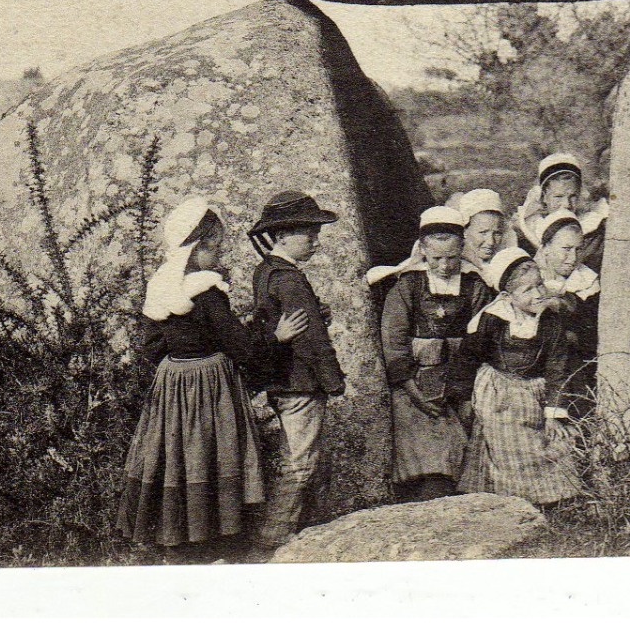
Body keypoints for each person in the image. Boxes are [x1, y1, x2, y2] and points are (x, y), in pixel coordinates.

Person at [118, 197, 304, 559]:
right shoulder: (205, 289)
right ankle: (213, 537)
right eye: (216, 247)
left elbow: (152, 347)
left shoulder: (162, 288)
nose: (219, 255)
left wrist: (179, 363)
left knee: (176, 455)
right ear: (196, 248)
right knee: (211, 452)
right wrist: (275, 338)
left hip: (172, 380)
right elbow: (242, 349)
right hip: (208, 382)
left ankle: (177, 535)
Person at [246, 189, 347, 551]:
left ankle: (289, 530)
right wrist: (333, 379)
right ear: (284, 235)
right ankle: (275, 537)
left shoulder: (266, 271)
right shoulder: (289, 278)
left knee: (297, 458)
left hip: (281, 380)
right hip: (300, 382)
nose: (315, 241)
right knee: (300, 462)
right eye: (309, 233)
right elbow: (311, 339)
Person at [370, 206, 489, 502]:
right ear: (423, 251)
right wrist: (411, 388)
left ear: (462, 248)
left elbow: (481, 341)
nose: (445, 266)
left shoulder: (475, 287)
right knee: (424, 446)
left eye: (452, 257)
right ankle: (426, 497)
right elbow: (394, 340)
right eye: (437, 258)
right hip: (415, 385)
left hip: (461, 382)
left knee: (465, 440)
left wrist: (464, 391)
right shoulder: (408, 286)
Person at [449, 246, 582, 507]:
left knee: (554, 438)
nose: (538, 294)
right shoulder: (492, 319)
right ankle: (513, 500)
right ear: (507, 296)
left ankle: (551, 499)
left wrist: (554, 412)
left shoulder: (550, 320)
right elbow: (468, 357)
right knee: (510, 439)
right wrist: (462, 397)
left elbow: (557, 365)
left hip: (536, 390)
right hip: (500, 391)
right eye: (527, 290)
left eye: (540, 285)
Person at [529, 209, 601, 415]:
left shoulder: (587, 281)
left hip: (576, 368)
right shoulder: (530, 279)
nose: (573, 257)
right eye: (566, 249)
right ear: (546, 248)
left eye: (579, 249)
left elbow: (589, 332)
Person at [512, 153, 609, 269]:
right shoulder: (527, 230)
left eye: (572, 196)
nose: (566, 205)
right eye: (558, 197)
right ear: (544, 197)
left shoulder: (593, 231)